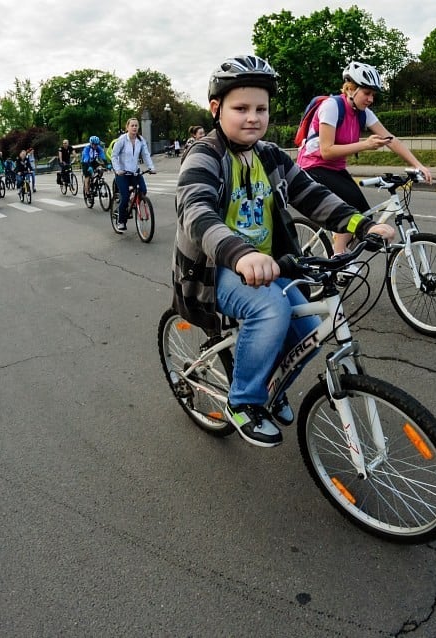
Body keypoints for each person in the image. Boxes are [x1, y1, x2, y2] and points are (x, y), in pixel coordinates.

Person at [173, 54, 395, 448]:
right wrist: (240, 254)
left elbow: (311, 195)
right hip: (213, 268)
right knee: (270, 308)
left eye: (261, 108)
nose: (253, 117)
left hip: (269, 265)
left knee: (310, 331)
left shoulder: (270, 155)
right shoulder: (204, 155)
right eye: (240, 108)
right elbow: (196, 211)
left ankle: (267, 386)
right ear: (216, 109)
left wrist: (360, 223)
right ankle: (244, 401)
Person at [297, 61, 432, 256]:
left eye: (373, 95)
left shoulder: (363, 113)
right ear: (350, 89)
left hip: (335, 169)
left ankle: (341, 250)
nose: (370, 99)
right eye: (367, 93)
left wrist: (419, 165)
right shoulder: (332, 107)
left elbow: (390, 139)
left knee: (364, 215)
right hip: (313, 166)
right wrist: (365, 144)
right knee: (352, 210)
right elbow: (326, 151)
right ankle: (339, 257)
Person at [110, 117, 156, 234]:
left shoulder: (141, 140)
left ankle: (132, 201)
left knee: (143, 191)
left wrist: (151, 167)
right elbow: (114, 156)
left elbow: (146, 155)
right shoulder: (122, 140)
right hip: (122, 173)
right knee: (124, 197)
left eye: (136, 125)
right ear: (127, 127)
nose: (134, 127)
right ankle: (121, 221)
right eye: (132, 125)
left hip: (135, 172)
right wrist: (118, 169)